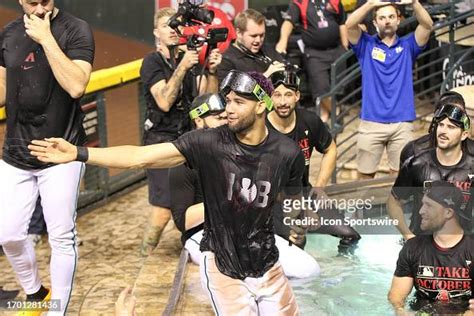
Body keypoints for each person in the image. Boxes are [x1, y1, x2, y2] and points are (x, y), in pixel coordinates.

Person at [29, 71, 309, 314]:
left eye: (239, 101)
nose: (229, 109)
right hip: (223, 266)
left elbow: (291, 201)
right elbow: (139, 157)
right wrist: (79, 153)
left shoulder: (288, 153)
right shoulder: (208, 142)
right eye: (228, 100)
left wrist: (296, 224)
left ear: (261, 105)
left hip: (268, 266)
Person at [0, 0, 94, 314]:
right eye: (32, 1)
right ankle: (37, 293)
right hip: (16, 151)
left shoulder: (75, 29)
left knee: (61, 237)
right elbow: (3, 87)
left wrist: (46, 39)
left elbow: (76, 85)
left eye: (45, 0)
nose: (40, 6)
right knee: (8, 234)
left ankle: (57, 311)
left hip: (62, 151)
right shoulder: (9, 34)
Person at [171, 91, 320, 279]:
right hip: (202, 235)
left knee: (308, 270)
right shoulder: (183, 162)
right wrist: (226, 198)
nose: (226, 121)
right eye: (219, 118)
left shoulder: (240, 152)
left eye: (227, 116)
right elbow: (182, 221)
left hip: (249, 229)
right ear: (199, 121)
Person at [139, 7, 222, 256]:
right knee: (163, 207)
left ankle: (199, 248)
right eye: (167, 26)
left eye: (176, 26)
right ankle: (146, 255)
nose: (173, 31)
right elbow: (164, 101)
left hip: (188, 138)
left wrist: (211, 70)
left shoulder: (187, 58)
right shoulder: (152, 62)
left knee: (194, 198)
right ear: (156, 32)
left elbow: (207, 98)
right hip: (160, 140)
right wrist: (183, 67)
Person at [267, 70, 361, 256]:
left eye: (288, 95)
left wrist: (319, 188)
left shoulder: (309, 121)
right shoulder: (260, 128)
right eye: (277, 95)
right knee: (296, 246)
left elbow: (330, 148)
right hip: (272, 201)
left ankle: (340, 274)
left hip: (305, 193)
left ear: (297, 96)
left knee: (350, 236)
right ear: (270, 98)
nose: (283, 102)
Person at [345, 0, 433, 179]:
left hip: (402, 124)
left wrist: (415, 2)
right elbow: (349, 25)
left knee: (400, 180)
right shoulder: (366, 45)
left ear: (398, 20)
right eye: (382, 18)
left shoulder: (408, 46)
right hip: (371, 122)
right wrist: (370, 4)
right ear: (375, 22)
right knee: (364, 179)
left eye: (391, 17)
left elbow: (427, 24)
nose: (387, 21)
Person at [388, 98, 472, 240]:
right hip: (421, 240)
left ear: (464, 134)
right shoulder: (416, 162)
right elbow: (393, 202)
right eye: (441, 125)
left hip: (461, 246)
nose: (443, 131)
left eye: (451, 127)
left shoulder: (471, 166)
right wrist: (409, 237)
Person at [388, 181, 474, 315]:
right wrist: (401, 311)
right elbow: (396, 297)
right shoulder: (413, 248)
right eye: (422, 204)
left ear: (448, 212)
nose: (421, 211)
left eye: (428, 205)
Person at [275, 0, 349, 122]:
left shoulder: (334, 1)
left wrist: (345, 46)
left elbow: (342, 22)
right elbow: (288, 22)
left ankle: (324, 119)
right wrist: (283, 40)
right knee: (320, 88)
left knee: (337, 88)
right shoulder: (299, 2)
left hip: (336, 50)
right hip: (315, 53)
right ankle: (336, 111)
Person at [216, 9, 287, 82]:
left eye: (262, 35)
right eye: (253, 36)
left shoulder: (268, 51)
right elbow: (230, 91)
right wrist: (265, 76)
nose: (258, 40)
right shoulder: (226, 60)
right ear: (239, 33)